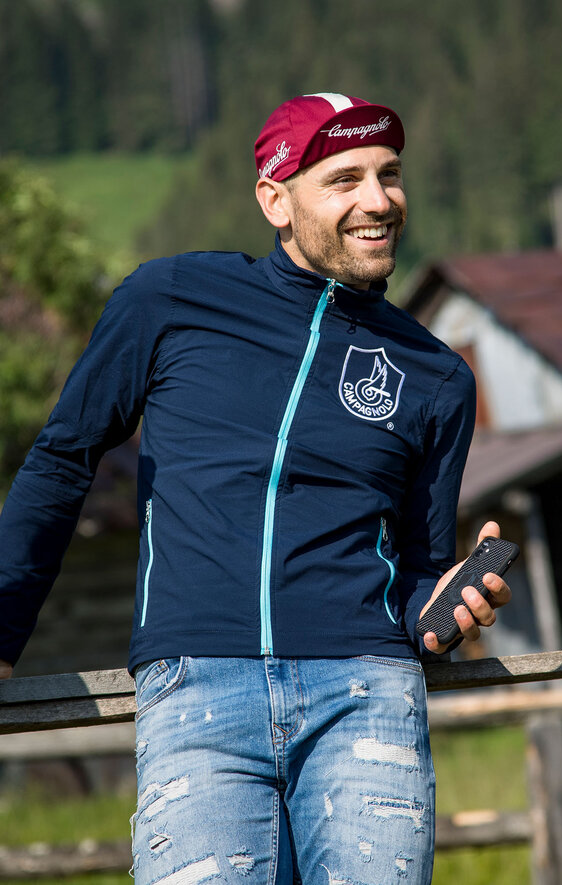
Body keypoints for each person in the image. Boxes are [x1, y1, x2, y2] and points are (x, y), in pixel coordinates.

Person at [0, 92, 511, 885]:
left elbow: (412, 569)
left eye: (389, 175)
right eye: (343, 180)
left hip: (365, 693)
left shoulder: (437, 377)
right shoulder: (168, 303)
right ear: (276, 199)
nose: (378, 200)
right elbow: (64, 459)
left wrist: (442, 600)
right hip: (196, 691)